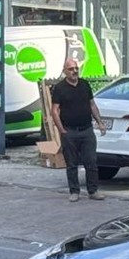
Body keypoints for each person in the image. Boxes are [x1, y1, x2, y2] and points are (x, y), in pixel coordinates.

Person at [50, 58, 107, 202]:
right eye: (71, 69)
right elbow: (54, 110)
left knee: (91, 162)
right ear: (65, 71)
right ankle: (74, 191)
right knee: (71, 164)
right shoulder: (60, 88)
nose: (74, 71)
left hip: (86, 130)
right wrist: (61, 130)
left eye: (76, 68)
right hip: (69, 131)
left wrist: (100, 122)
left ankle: (93, 191)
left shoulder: (84, 85)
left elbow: (92, 105)